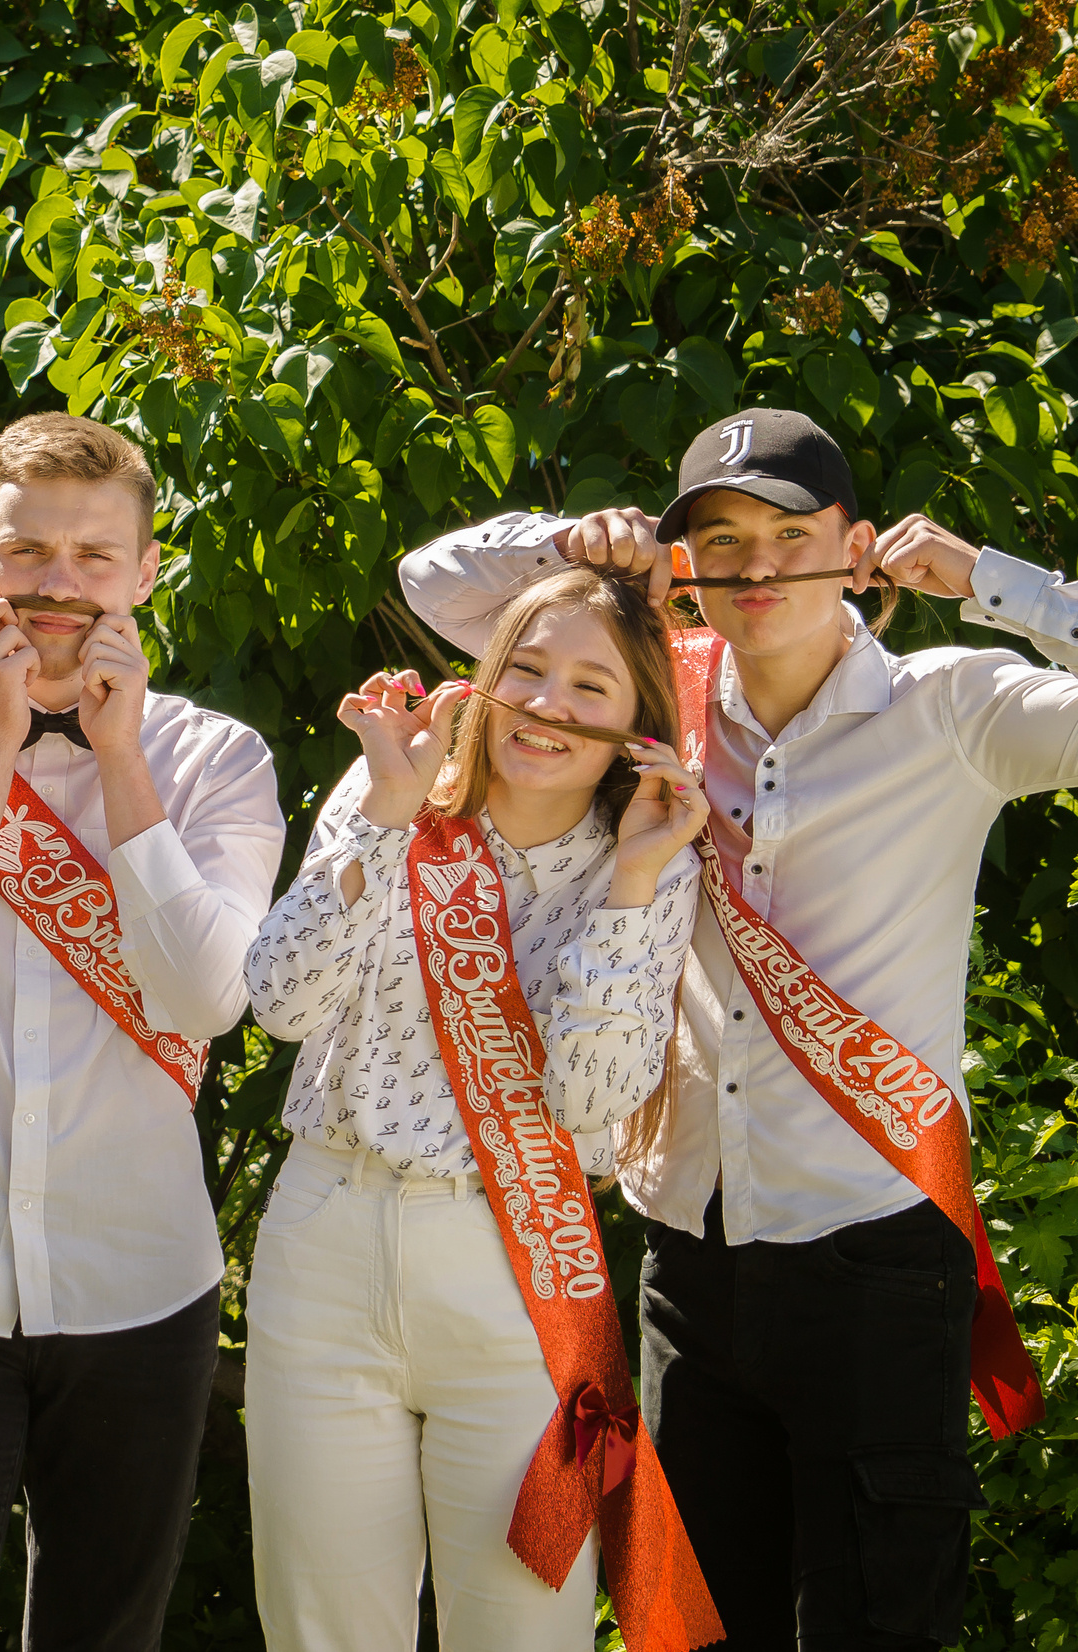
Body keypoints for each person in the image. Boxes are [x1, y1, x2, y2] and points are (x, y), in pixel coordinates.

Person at [398, 407, 1059, 1650]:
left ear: (855, 545)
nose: (755, 566)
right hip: (688, 1253)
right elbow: (432, 584)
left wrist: (989, 580)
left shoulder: (952, 707)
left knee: (876, 1620)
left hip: (872, 1245)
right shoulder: (659, 695)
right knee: (689, 1627)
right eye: (719, 536)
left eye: (788, 533)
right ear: (682, 559)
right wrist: (574, 542)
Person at [0, 412, 284, 1652]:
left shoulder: (216, 759)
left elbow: (203, 997)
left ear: (143, 569)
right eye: (30, 550)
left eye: (93, 556)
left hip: (139, 1280)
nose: (58, 584)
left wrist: (120, 763)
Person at [244, 566, 719, 1651]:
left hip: (519, 1268)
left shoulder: (646, 862)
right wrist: (383, 818)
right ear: (485, 676)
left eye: (590, 685)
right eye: (528, 667)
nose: (548, 702)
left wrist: (638, 881)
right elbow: (276, 1003)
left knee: (524, 1624)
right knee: (325, 1628)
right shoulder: (393, 798)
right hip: (328, 1239)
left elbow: (590, 1095)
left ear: (636, 724)